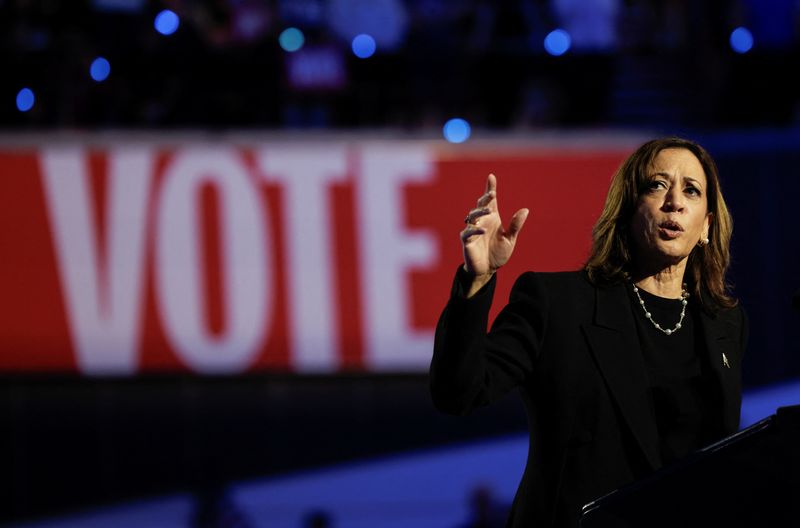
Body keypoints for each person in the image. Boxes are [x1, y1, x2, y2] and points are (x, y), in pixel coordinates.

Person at [430, 137, 747, 527]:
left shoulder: (723, 323)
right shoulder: (558, 303)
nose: (674, 202)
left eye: (692, 191)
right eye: (656, 185)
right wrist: (476, 279)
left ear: (706, 226)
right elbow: (458, 391)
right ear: (627, 208)